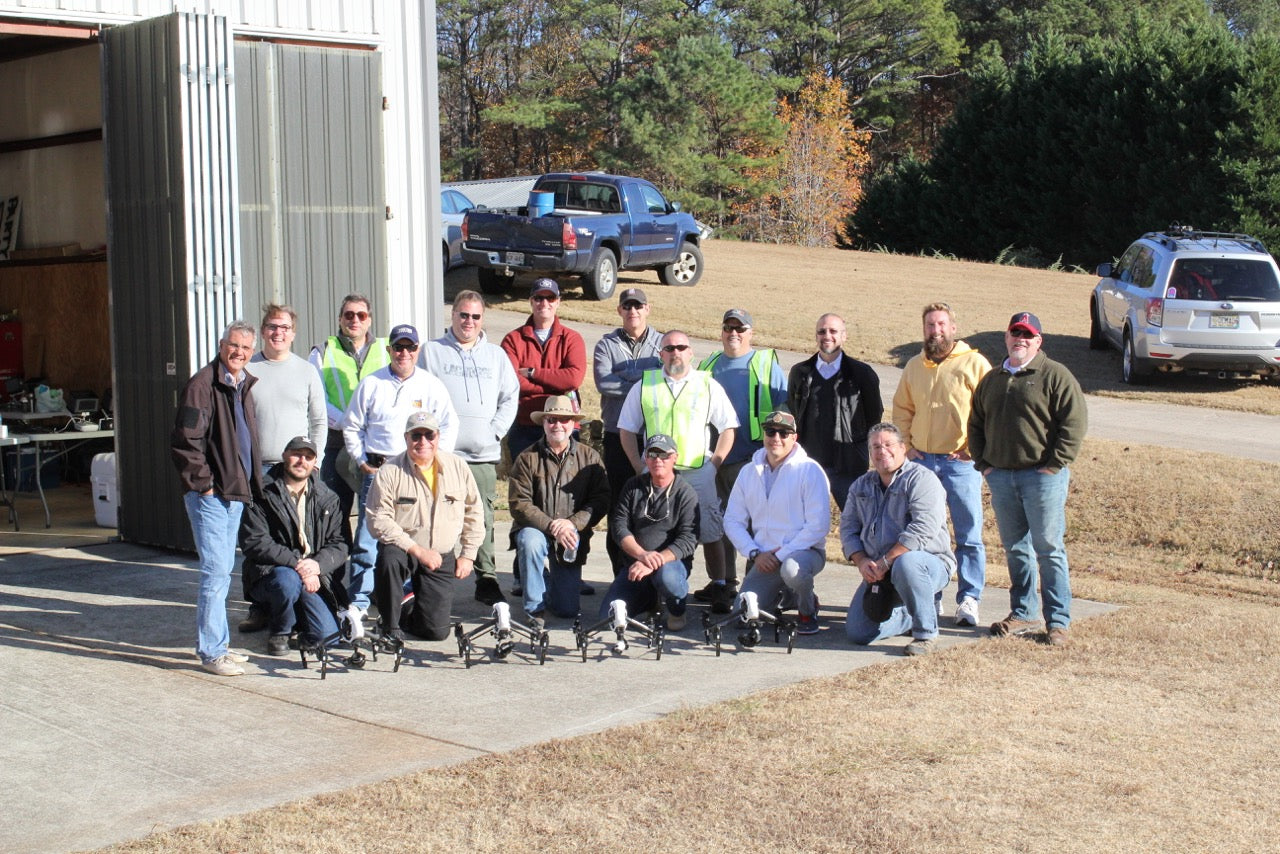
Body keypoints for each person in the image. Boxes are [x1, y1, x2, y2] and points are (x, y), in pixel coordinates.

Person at [968, 312, 1088, 647]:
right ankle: (1023, 611)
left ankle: (1058, 621)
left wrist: (1054, 464)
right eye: (1014, 333)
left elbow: (1073, 424)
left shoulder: (1055, 376)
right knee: (1015, 549)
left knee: (1049, 549)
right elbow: (975, 423)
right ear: (1006, 337)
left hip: (1042, 478)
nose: (1020, 339)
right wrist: (984, 464)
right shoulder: (992, 379)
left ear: (1038, 341)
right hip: (1002, 477)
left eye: (1027, 334)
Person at [617, 329, 739, 612]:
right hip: (656, 473)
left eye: (681, 347)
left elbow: (728, 428)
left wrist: (714, 465)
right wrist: (639, 465)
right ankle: (657, 584)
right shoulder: (646, 385)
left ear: (691, 352)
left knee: (710, 529)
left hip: (697, 472)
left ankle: (720, 586)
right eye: (669, 348)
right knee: (652, 527)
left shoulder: (707, 385)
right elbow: (626, 429)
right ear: (660, 354)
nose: (675, 353)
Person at [342, 323, 458, 616]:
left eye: (410, 347)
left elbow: (449, 423)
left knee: (408, 539)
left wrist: (436, 459)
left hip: (415, 475)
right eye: (398, 347)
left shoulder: (431, 385)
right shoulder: (372, 383)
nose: (403, 353)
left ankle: (401, 598)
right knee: (368, 541)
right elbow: (352, 424)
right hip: (378, 471)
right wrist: (360, 460)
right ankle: (360, 601)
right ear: (389, 350)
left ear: (417, 350)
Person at [170, 319, 264, 676]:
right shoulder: (202, 385)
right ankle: (211, 652)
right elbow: (185, 441)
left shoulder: (241, 384)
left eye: (245, 348)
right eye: (233, 345)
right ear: (222, 345)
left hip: (234, 494)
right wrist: (204, 484)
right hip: (212, 495)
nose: (238, 352)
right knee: (214, 572)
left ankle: (220, 644)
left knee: (224, 571)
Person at [892, 302, 992, 628]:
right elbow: (902, 409)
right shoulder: (914, 367)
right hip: (922, 462)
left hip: (959, 463)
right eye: (930, 326)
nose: (935, 331)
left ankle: (969, 598)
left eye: (941, 325)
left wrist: (973, 448)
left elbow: (990, 410)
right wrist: (906, 447)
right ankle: (929, 596)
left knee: (968, 533)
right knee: (925, 533)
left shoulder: (974, 363)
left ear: (952, 327)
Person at [422, 291, 519, 606]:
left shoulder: (496, 356)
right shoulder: (432, 352)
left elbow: (510, 396)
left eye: (476, 317)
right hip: (442, 455)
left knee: (483, 517)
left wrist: (495, 432)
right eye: (464, 315)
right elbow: (421, 396)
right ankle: (436, 580)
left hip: (482, 455)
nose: (469, 322)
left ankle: (486, 577)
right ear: (452, 316)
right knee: (436, 518)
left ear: (482, 320)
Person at [239, 303, 329, 634]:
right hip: (258, 471)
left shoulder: (305, 371)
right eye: (273, 327)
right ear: (263, 331)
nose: (279, 333)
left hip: (298, 468)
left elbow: (319, 420)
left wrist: (314, 460)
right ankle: (260, 606)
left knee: (299, 538)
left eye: (285, 327)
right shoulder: (249, 368)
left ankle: (300, 606)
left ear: (293, 333)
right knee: (258, 543)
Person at [841, 423, 956, 656]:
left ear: (903, 448)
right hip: (880, 572)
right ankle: (911, 614)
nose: (882, 451)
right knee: (858, 633)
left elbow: (923, 529)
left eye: (888, 444)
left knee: (908, 563)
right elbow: (848, 529)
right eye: (875, 447)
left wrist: (886, 561)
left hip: (927, 564)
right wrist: (862, 561)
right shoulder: (860, 486)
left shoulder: (923, 480)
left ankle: (926, 634)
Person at [367, 411, 483, 641]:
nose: (423, 442)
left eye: (429, 435)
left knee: (436, 632)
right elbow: (378, 520)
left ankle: (406, 604)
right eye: (416, 436)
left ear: (438, 437)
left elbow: (475, 512)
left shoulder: (457, 467)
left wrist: (468, 555)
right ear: (406, 438)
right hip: (405, 549)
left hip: (441, 554)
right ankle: (389, 626)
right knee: (389, 559)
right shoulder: (390, 471)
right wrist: (417, 550)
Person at [696, 308, 787, 600]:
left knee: (754, 524)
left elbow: (784, 413)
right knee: (719, 522)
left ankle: (755, 586)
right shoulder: (707, 364)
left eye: (740, 328)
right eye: (728, 327)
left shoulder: (764, 363)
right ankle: (723, 583)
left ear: (751, 333)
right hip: (713, 459)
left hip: (753, 460)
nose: (733, 333)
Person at [238, 436, 349, 656]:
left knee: (328, 639)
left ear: (315, 462)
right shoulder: (262, 493)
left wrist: (317, 566)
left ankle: (289, 616)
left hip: (312, 575)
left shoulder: (328, 498)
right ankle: (280, 631)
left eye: (308, 457)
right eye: (297, 454)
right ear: (284, 456)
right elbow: (254, 541)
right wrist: (298, 564)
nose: (302, 461)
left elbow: (340, 543)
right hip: (271, 572)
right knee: (287, 581)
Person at [724, 410, 831, 635]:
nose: (776, 438)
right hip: (764, 559)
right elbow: (732, 520)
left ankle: (807, 609)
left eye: (784, 433)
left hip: (804, 553)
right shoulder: (748, 472)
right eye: (771, 432)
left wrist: (781, 554)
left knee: (792, 571)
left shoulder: (810, 470)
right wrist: (754, 553)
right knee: (741, 615)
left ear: (794, 437)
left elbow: (818, 526)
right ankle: (786, 596)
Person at [508, 396, 611, 627]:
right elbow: (519, 503)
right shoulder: (526, 458)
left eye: (564, 420)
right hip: (537, 529)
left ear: (573, 423)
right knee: (529, 541)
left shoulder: (590, 457)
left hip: (571, 536)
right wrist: (552, 525)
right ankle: (535, 609)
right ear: (544, 422)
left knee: (567, 610)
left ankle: (544, 582)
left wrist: (573, 523)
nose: (558, 425)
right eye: (552, 419)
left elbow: (601, 499)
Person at [592, 286, 663, 569]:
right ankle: (619, 568)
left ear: (648, 308)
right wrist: (645, 380)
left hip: (654, 436)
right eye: (627, 306)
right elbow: (604, 383)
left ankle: (651, 564)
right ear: (619, 310)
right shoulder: (605, 345)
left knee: (653, 505)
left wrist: (626, 376)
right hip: (616, 434)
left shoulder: (663, 343)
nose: (633, 311)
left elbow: (666, 376)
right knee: (620, 503)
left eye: (638, 306)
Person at [599, 433, 699, 631]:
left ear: (675, 458)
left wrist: (654, 562)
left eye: (664, 455)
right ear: (645, 457)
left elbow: (689, 539)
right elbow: (619, 527)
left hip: (670, 565)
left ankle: (677, 610)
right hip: (636, 565)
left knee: (667, 578)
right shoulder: (633, 486)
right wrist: (643, 555)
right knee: (607, 619)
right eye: (652, 454)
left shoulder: (686, 493)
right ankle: (649, 601)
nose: (658, 460)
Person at [308, 294, 389, 535]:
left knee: (374, 513)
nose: (355, 320)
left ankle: (368, 568)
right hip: (335, 443)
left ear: (369, 320)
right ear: (340, 319)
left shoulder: (386, 350)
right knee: (333, 511)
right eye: (349, 315)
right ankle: (334, 566)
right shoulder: (322, 351)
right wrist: (347, 423)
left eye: (361, 315)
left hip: (375, 446)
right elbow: (316, 399)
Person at [787, 312, 882, 510]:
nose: (827, 336)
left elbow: (875, 418)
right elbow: (793, 414)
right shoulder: (800, 372)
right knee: (803, 523)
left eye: (833, 331)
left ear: (844, 336)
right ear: (816, 337)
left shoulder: (862, 374)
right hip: (808, 465)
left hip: (848, 466)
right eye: (821, 331)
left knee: (855, 523)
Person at [500, 278, 587, 460]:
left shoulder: (572, 338)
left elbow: (573, 379)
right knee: (525, 483)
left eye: (550, 298)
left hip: (563, 424)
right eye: (539, 298)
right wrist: (557, 388)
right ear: (531, 301)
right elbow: (512, 382)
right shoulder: (513, 340)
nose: (544, 303)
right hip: (526, 422)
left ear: (558, 302)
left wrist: (533, 373)